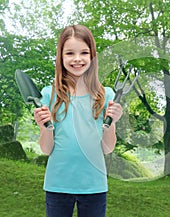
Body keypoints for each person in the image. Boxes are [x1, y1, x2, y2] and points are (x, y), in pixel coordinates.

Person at [33, 24, 123, 217]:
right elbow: (46, 149)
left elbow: (107, 149)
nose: (77, 59)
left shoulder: (106, 95)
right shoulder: (49, 94)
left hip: (94, 185)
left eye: (84, 52)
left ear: (92, 56)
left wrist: (112, 123)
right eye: (69, 53)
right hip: (58, 184)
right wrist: (45, 127)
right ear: (61, 57)